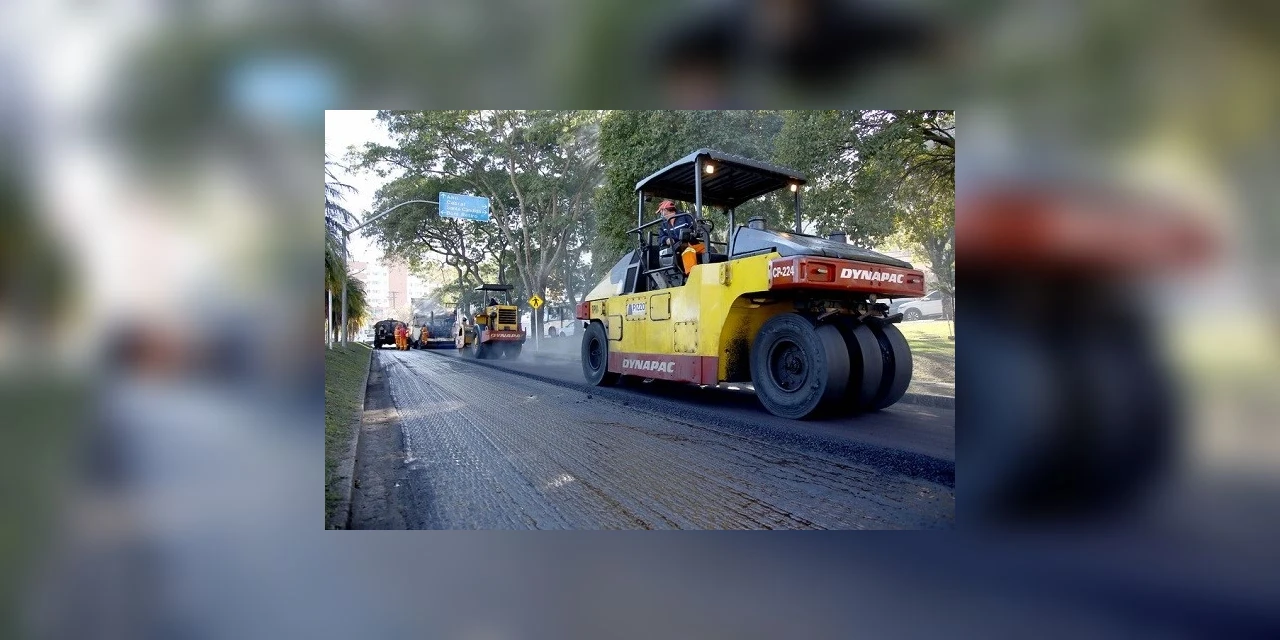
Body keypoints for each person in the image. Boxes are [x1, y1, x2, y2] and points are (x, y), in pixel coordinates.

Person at [656, 200, 705, 276]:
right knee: (688, 251)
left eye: (661, 212)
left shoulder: (685, 216)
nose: (661, 214)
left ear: (664, 210)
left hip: (692, 244)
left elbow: (696, 228)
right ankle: (692, 276)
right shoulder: (664, 224)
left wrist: (694, 232)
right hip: (678, 249)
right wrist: (666, 239)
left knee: (707, 249)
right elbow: (659, 238)